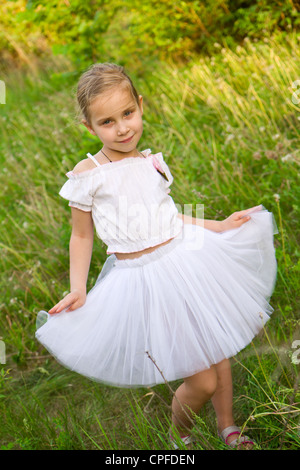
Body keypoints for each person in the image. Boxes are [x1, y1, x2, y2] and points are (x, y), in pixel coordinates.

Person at [36, 63, 277, 450]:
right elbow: (81, 236)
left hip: (186, 263)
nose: (122, 128)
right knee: (203, 379)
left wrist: (217, 225)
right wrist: (78, 287)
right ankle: (176, 437)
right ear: (90, 127)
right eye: (107, 122)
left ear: (140, 106)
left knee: (218, 350)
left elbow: (170, 216)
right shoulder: (89, 174)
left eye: (128, 114)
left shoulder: (150, 162)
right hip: (146, 280)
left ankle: (227, 426)